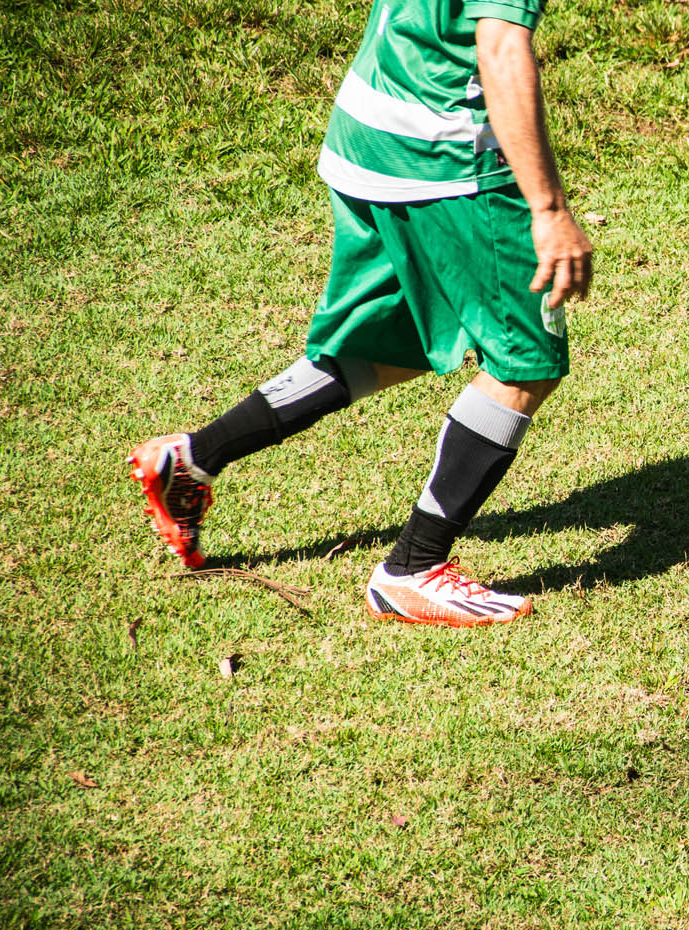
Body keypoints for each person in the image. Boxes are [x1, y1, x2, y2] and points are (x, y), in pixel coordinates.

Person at [127, 0, 592, 628]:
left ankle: (189, 459)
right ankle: (413, 570)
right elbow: (501, 45)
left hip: (370, 124)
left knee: (390, 340)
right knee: (525, 362)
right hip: (444, 157)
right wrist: (548, 208)